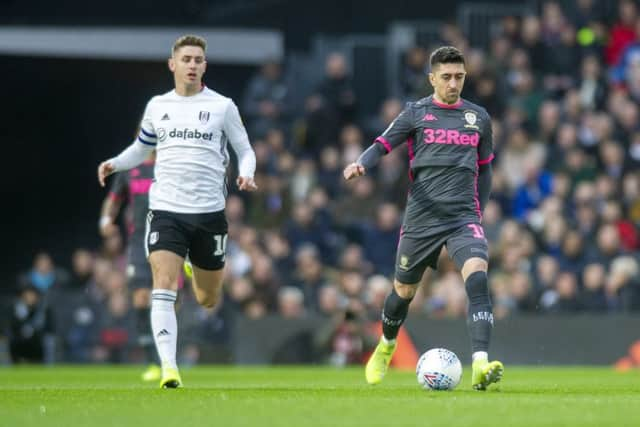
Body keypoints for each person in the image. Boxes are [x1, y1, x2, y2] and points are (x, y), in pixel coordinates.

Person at [97, 34, 257, 388]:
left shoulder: (222, 106)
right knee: (163, 285)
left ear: (205, 65)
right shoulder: (157, 106)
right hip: (167, 209)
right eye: (186, 59)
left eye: (198, 60)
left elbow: (245, 149)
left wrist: (247, 173)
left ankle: (193, 265)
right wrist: (115, 163)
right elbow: (141, 150)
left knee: (207, 297)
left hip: (210, 214)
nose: (192, 65)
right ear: (173, 64)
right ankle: (170, 369)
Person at [343, 46, 503, 390]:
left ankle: (480, 363)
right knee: (403, 291)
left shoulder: (479, 118)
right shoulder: (416, 113)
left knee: (477, 277)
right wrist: (361, 164)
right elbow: (383, 144)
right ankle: (386, 346)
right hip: (422, 218)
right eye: (446, 77)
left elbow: (486, 171)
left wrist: (480, 211)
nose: (453, 83)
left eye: (459, 76)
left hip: (463, 217)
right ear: (432, 79)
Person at [99, 150, 161, 381]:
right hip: (138, 242)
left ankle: (169, 355)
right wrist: (106, 220)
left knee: (169, 299)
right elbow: (113, 200)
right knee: (141, 298)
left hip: (166, 238)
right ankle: (152, 361)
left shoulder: (169, 164)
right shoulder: (129, 170)